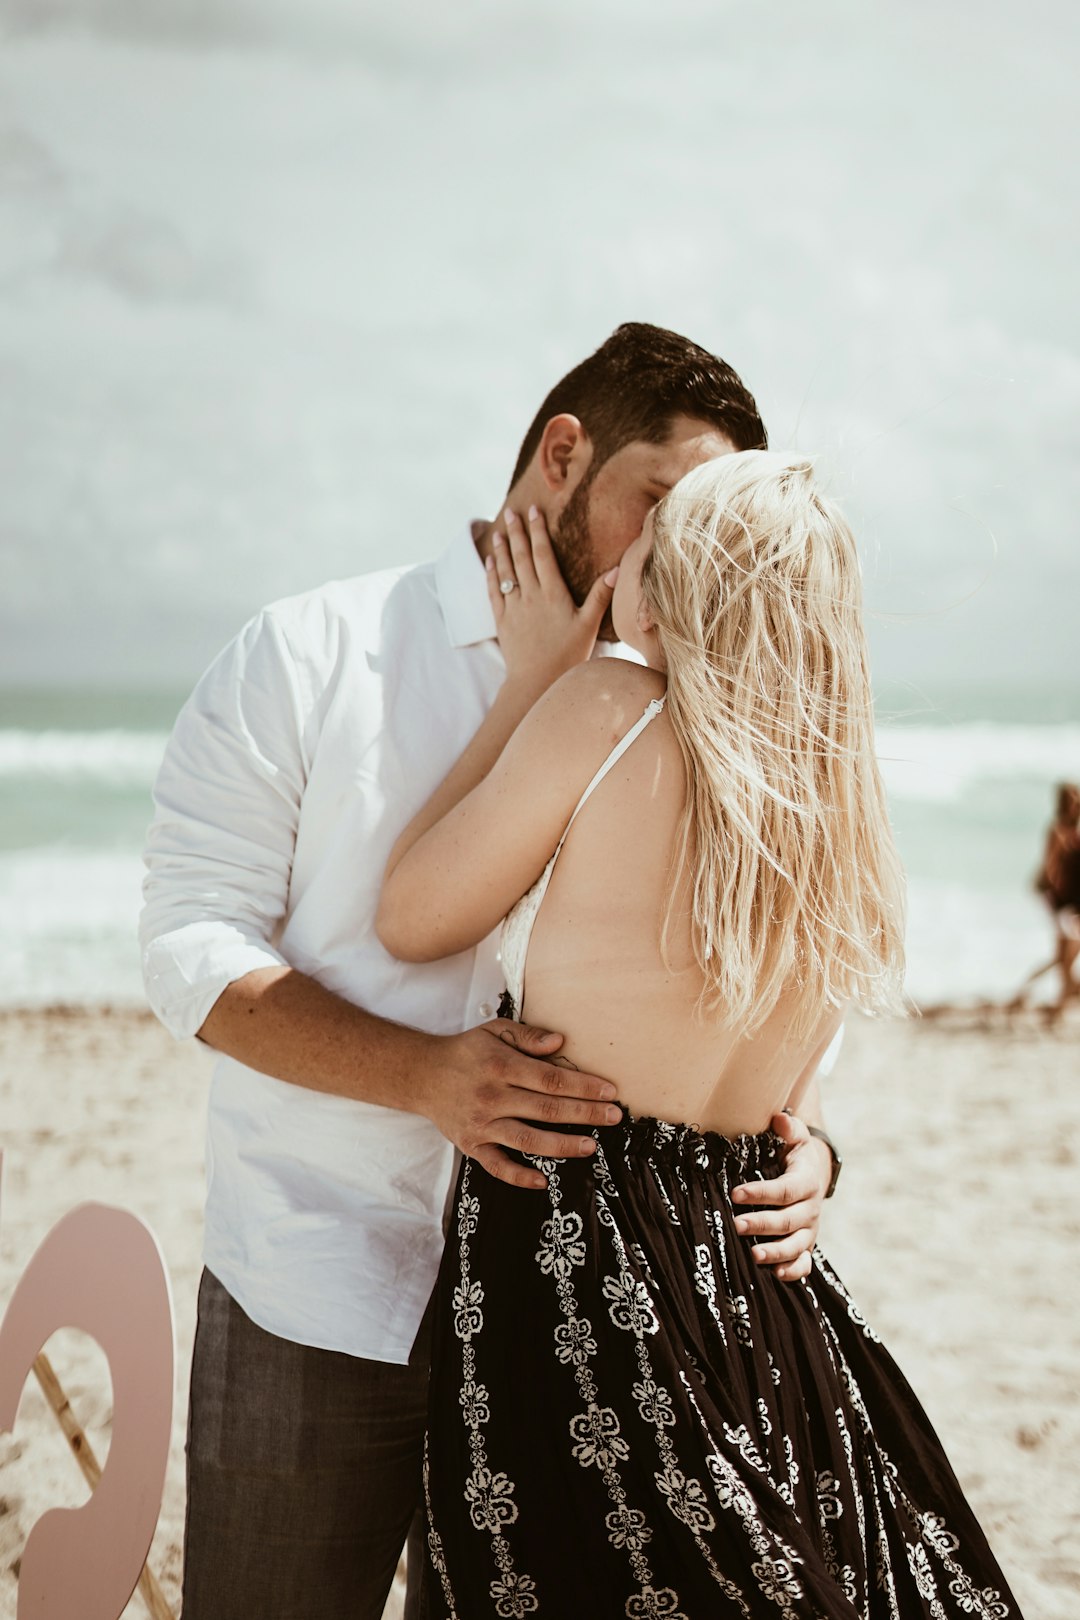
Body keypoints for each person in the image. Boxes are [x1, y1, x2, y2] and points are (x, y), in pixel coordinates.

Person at [138, 324, 843, 1620]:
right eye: (663, 505)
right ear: (561, 458)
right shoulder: (311, 651)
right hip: (322, 1281)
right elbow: (192, 945)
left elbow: (754, 958)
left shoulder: (693, 694)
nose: (680, 551)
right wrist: (424, 1079)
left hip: (574, 1327)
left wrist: (810, 1146)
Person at [377, 454, 1025, 1617]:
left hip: (581, 1243)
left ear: (670, 595)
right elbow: (790, 1090)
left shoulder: (607, 709)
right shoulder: (835, 807)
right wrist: (818, 1155)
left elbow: (411, 913)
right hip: (755, 1273)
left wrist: (532, 683)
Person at [1011, 782, 1080, 1018]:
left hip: (1068, 903)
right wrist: (1055, 894)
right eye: (1072, 800)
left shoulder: (1073, 833)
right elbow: (1050, 870)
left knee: (1063, 957)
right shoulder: (1058, 831)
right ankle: (1049, 1000)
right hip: (1061, 903)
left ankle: (1039, 998)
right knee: (1066, 956)